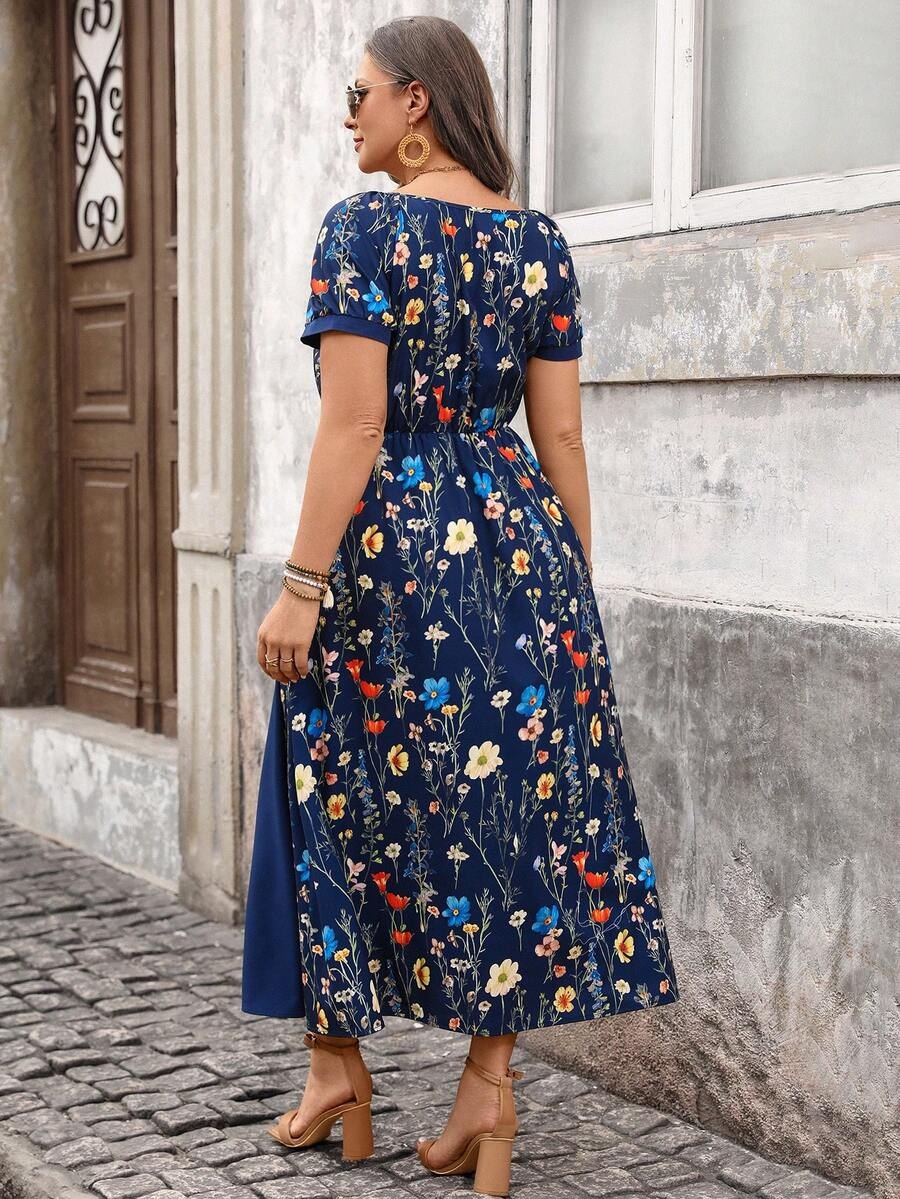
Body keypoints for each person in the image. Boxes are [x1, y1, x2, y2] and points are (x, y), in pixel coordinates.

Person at [240, 15, 680, 1195]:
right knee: (506, 813)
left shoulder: (365, 228)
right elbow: (563, 436)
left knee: (323, 773)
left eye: (361, 94)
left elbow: (356, 423)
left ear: (417, 103)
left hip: (393, 555)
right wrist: (571, 595)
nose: (349, 114)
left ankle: (337, 1067)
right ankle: (487, 1086)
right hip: (524, 548)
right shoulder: (540, 244)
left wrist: (299, 586)